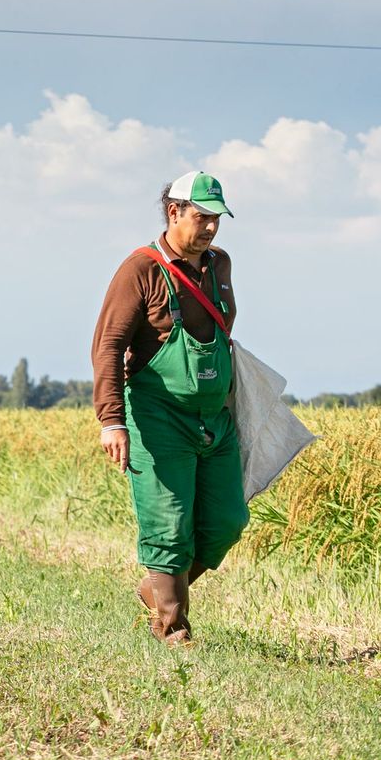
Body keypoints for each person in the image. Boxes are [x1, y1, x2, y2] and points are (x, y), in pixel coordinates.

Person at [89, 171, 248, 643]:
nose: (211, 229)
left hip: (214, 417)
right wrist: (112, 419)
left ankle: (155, 591)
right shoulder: (139, 269)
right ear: (174, 211)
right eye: (202, 217)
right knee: (169, 526)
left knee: (226, 522)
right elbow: (108, 345)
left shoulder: (220, 265)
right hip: (158, 418)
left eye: (217, 219)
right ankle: (171, 625)